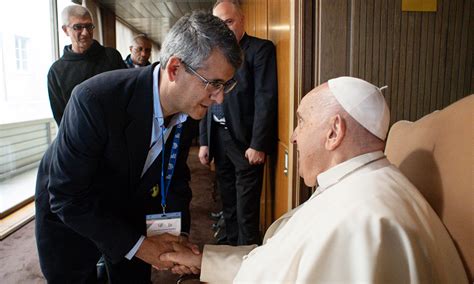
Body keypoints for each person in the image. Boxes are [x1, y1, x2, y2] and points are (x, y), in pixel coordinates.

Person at [160, 77, 468, 283]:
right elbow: (281, 263)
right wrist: (206, 261)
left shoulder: (363, 219)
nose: (293, 137)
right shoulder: (363, 181)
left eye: (302, 121)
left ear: (334, 132)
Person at [35, 11, 242, 283]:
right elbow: (66, 196)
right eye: (213, 84)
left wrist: (177, 235)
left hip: (130, 209)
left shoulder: (189, 108)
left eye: (225, 86)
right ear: (175, 69)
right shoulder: (94, 99)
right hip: (73, 216)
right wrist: (142, 247)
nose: (219, 98)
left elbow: (176, 177)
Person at [199, 0, 277, 245]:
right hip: (218, 137)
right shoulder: (212, 54)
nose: (224, 29)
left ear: (242, 20)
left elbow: (265, 97)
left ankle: (247, 255)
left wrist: (258, 144)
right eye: (218, 24)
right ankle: (231, 245)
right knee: (228, 199)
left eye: (229, 22)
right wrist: (203, 141)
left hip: (245, 141)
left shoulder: (259, 49)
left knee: (247, 207)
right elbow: (205, 97)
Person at [47, 4, 125, 126]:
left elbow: (127, 96)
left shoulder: (112, 57)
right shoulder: (56, 71)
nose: (85, 33)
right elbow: (61, 118)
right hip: (81, 139)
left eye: (89, 26)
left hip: (116, 134)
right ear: (65, 30)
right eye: (78, 27)